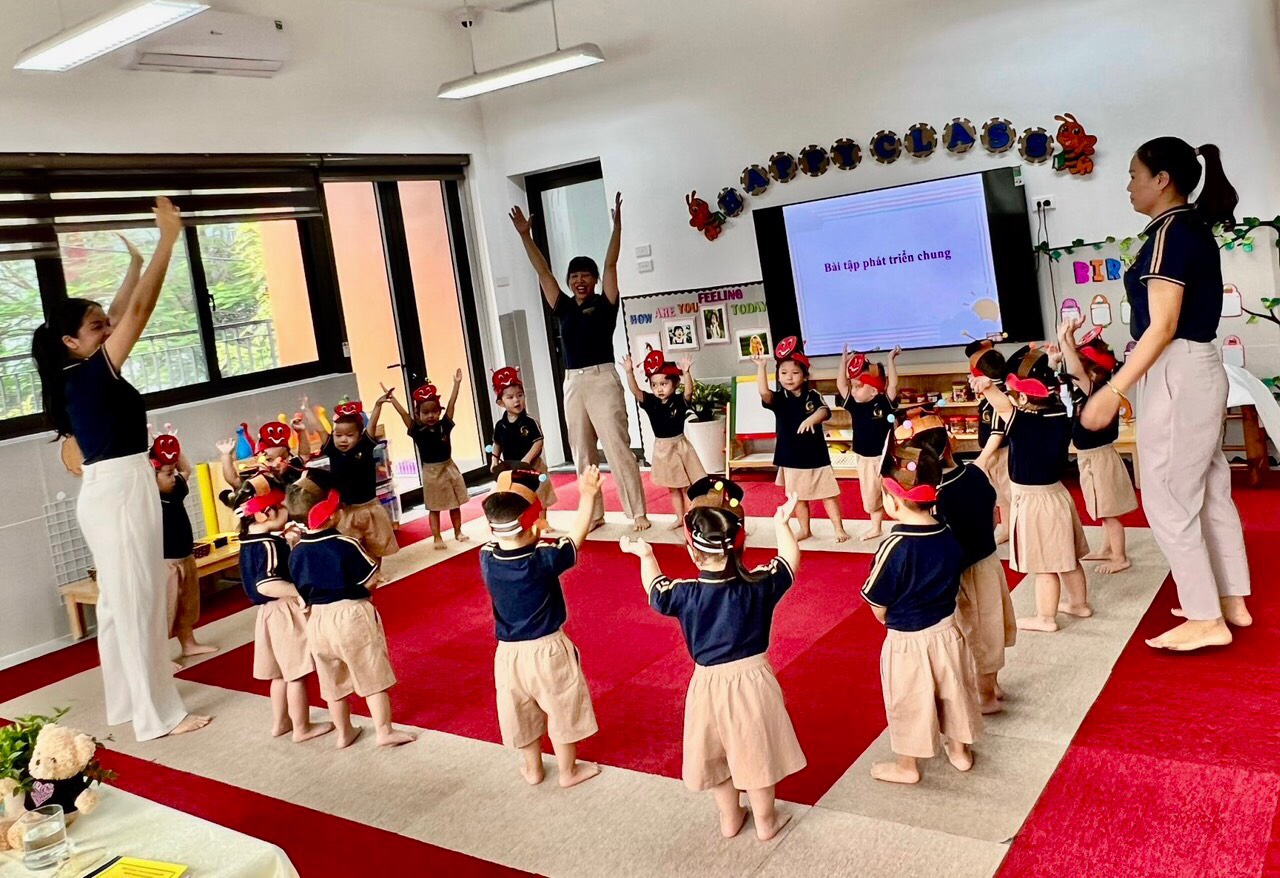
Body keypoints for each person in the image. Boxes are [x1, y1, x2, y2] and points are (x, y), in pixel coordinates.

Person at [30, 199, 210, 742]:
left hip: (116, 487)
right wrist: (166, 242)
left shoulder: (79, 370)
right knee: (137, 603)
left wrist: (133, 263)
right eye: (96, 327)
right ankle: (158, 717)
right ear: (71, 342)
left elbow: (119, 311)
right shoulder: (88, 375)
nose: (108, 329)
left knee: (120, 604)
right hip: (120, 489)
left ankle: (129, 704)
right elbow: (139, 312)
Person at [1080, 137, 1251, 652]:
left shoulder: (1170, 233)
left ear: (1162, 180)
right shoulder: (1188, 228)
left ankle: (1205, 617)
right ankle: (1229, 599)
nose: (1129, 186)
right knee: (1208, 488)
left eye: (1134, 175)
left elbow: (1162, 326)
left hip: (1177, 367)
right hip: (1194, 366)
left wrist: (1113, 390)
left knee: (1169, 496)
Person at [621, 478, 805, 841]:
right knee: (756, 753)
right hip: (753, 682)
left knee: (716, 756)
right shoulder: (758, 585)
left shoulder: (685, 594)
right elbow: (788, 563)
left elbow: (654, 587)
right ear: (741, 544)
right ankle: (766, 821)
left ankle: (729, 818)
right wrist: (782, 524)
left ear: (693, 553)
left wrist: (646, 556)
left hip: (706, 685)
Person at [509, 193, 650, 532]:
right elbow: (542, 270)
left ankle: (637, 512)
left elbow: (612, 265)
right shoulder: (563, 306)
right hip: (573, 381)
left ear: (595, 280)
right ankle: (594, 513)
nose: (580, 281)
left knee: (617, 448)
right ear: (569, 281)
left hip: (603, 378)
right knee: (582, 453)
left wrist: (617, 228)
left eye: (586, 275)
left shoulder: (605, 304)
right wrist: (525, 235)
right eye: (574, 276)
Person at [862, 444, 982, 784]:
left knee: (909, 701)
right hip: (948, 630)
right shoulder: (946, 531)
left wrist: (884, 618)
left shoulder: (894, 545)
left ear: (893, 502)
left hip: (907, 640)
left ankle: (907, 766)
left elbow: (877, 600)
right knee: (955, 691)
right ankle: (959, 750)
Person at [478, 465, 603, 789]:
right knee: (561, 707)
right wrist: (588, 495)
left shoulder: (486, 558)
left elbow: (501, 534)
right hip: (548, 649)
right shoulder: (542, 559)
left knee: (520, 711)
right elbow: (575, 538)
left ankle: (533, 769)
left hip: (508, 654)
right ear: (535, 526)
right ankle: (567, 771)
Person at [286, 470, 415, 749]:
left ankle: (344, 732)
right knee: (372, 673)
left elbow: (301, 589)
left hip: (318, 620)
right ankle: (384, 731)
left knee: (332, 681)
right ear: (330, 515)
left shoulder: (296, 552)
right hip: (350, 614)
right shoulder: (346, 544)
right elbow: (370, 579)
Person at [904, 414, 1015, 714]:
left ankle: (985, 696)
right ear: (951, 444)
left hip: (963, 572)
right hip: (988, 562)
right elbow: (993, 516)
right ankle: (993, 685)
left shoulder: (936, 495)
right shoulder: (975, 474)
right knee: (991, 627)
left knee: (974, 633)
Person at [974, 354, 1091, 633]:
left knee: (1044, 564)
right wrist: (1051, 364)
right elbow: (1036, 391)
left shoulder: (1025, 422)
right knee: (1067, 556)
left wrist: (987, 387)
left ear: (1024, 399)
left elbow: (1002, 406)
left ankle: (1045, 617)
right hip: (1057, 494)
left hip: (1034, 501)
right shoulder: (1060, 413)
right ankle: (1079, 604)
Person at [232, 479, 332, 744]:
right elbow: (267, 584)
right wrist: (297, 593)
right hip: (283, 610)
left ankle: (281, 723)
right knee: (296, 672)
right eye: (282, 507)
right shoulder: (268, 545)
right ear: (264, 514)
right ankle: (302, 727)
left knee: (279, 674)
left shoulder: (250, 540)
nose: (287, 511)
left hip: (266, 614)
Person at [1058, 319, 1138, 574]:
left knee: (1109, 512)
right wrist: (1068, 337)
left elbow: (1073, 366)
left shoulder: (1095, 389)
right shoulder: (1097, 387)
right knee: (1102, 509)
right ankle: (1106, 548)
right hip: (1093, 458)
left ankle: (1120, 557)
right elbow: (1074, 363)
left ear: (1090, 372)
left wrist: (1063, 338)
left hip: (1099, 459)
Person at [754, 336, 850, 543]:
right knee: (797, 498)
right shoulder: (779, 398)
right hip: (791, 457)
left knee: (828, 494)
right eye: (783, 373)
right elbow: (763, 392)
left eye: (795, 373)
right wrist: (761, 367)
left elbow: (824, 411)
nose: (789, 377)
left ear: (805, 376)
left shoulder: (812, 395)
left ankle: (839, 528)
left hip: (816, 457)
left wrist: (812, 419)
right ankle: (805, 529)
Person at [304, 393, 400, 562]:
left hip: (369, 506)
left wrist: (378, 405)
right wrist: (307, 409)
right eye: (338, 435)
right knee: (350, 545)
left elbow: (372, 424)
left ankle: (376, 570)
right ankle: (360, 570)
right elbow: (320, 429)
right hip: (345, 509)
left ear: (359, 435)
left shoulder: (365, 446)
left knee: (376, 543)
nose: (343, 440)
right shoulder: (332, 449)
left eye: (349, 435)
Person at [150, 433, 216, 668]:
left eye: (172, 472)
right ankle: (160, 658)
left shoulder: (176, 490)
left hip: (186, 555)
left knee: (188, 604)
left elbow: (187, 470)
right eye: (168, 474)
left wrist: (175, 454)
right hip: (166, 563)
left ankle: (188, 643)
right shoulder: (150, 500)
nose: (174, 477)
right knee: (167, 609)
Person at [386, 372, 471, 551]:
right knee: (434, 507)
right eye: (425, 412)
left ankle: (458, 531)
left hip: (449, 467)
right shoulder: (417, 430)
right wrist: (393, 400)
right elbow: (404, 414)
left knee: (455, 504)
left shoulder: (444, 425)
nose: (431, 415)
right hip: (431, 472)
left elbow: (452, 404)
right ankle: (437, 536)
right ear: (417, 414)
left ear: (439, 412)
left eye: (434, 411)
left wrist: (456, 384)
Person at [622, 351, 706, 525]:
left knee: (687, 487)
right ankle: (679, 517)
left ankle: (692, 518)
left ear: (675, 383)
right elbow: (636, 391)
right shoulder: (651, 402)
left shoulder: (679, 401)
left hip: (680, 446)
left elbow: (689, 392)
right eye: (654, 385)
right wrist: (629, 372)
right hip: (663, 449)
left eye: (664, 384)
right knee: (673, 487)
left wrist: (687, 373)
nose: (659, 389)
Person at [837, 345, 901, 541]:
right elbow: (841, 385)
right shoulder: (854, 405)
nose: (854, 390)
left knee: (896, 491)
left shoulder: (884, 402)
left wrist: (890, 360)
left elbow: (892, 384)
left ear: (873, 390)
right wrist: (843, 361)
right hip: (865, 459)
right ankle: (876, 528)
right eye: (853, 386)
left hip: (887, 457)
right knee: (871, 495)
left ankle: (905, 522)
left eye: (858, 387)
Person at [490, 366, 558, 534]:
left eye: (520, 395)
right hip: (512, 468)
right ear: (500, 402)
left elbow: (538, 442)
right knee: (518, 495)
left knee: (540, 494)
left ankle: (542, 522)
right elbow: (497, 444)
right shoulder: (500, 425)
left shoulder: (529, 422)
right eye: (510, 397)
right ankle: (522, 524)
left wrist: (526, 460)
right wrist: (494, 460)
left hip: (534, 466)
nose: (517, 400)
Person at [966, 340, 1012, 543]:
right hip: (995, 454)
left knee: (1011, 495)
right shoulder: (990, 396)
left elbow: (997, 433)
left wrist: (981, 460)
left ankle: (1018, 532)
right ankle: (1007, 529)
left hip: (1002, 455)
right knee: (1001, 497)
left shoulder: (997, 399)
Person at [217, 418, 309, 492]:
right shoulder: (255, 478)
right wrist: (226, 455)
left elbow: (304, 455)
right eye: (269, 460)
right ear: (258, 458)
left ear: (289, 458)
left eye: (282, 459)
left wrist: (301, 432)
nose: (275, 464)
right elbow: (234, 481)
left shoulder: (293, 469)